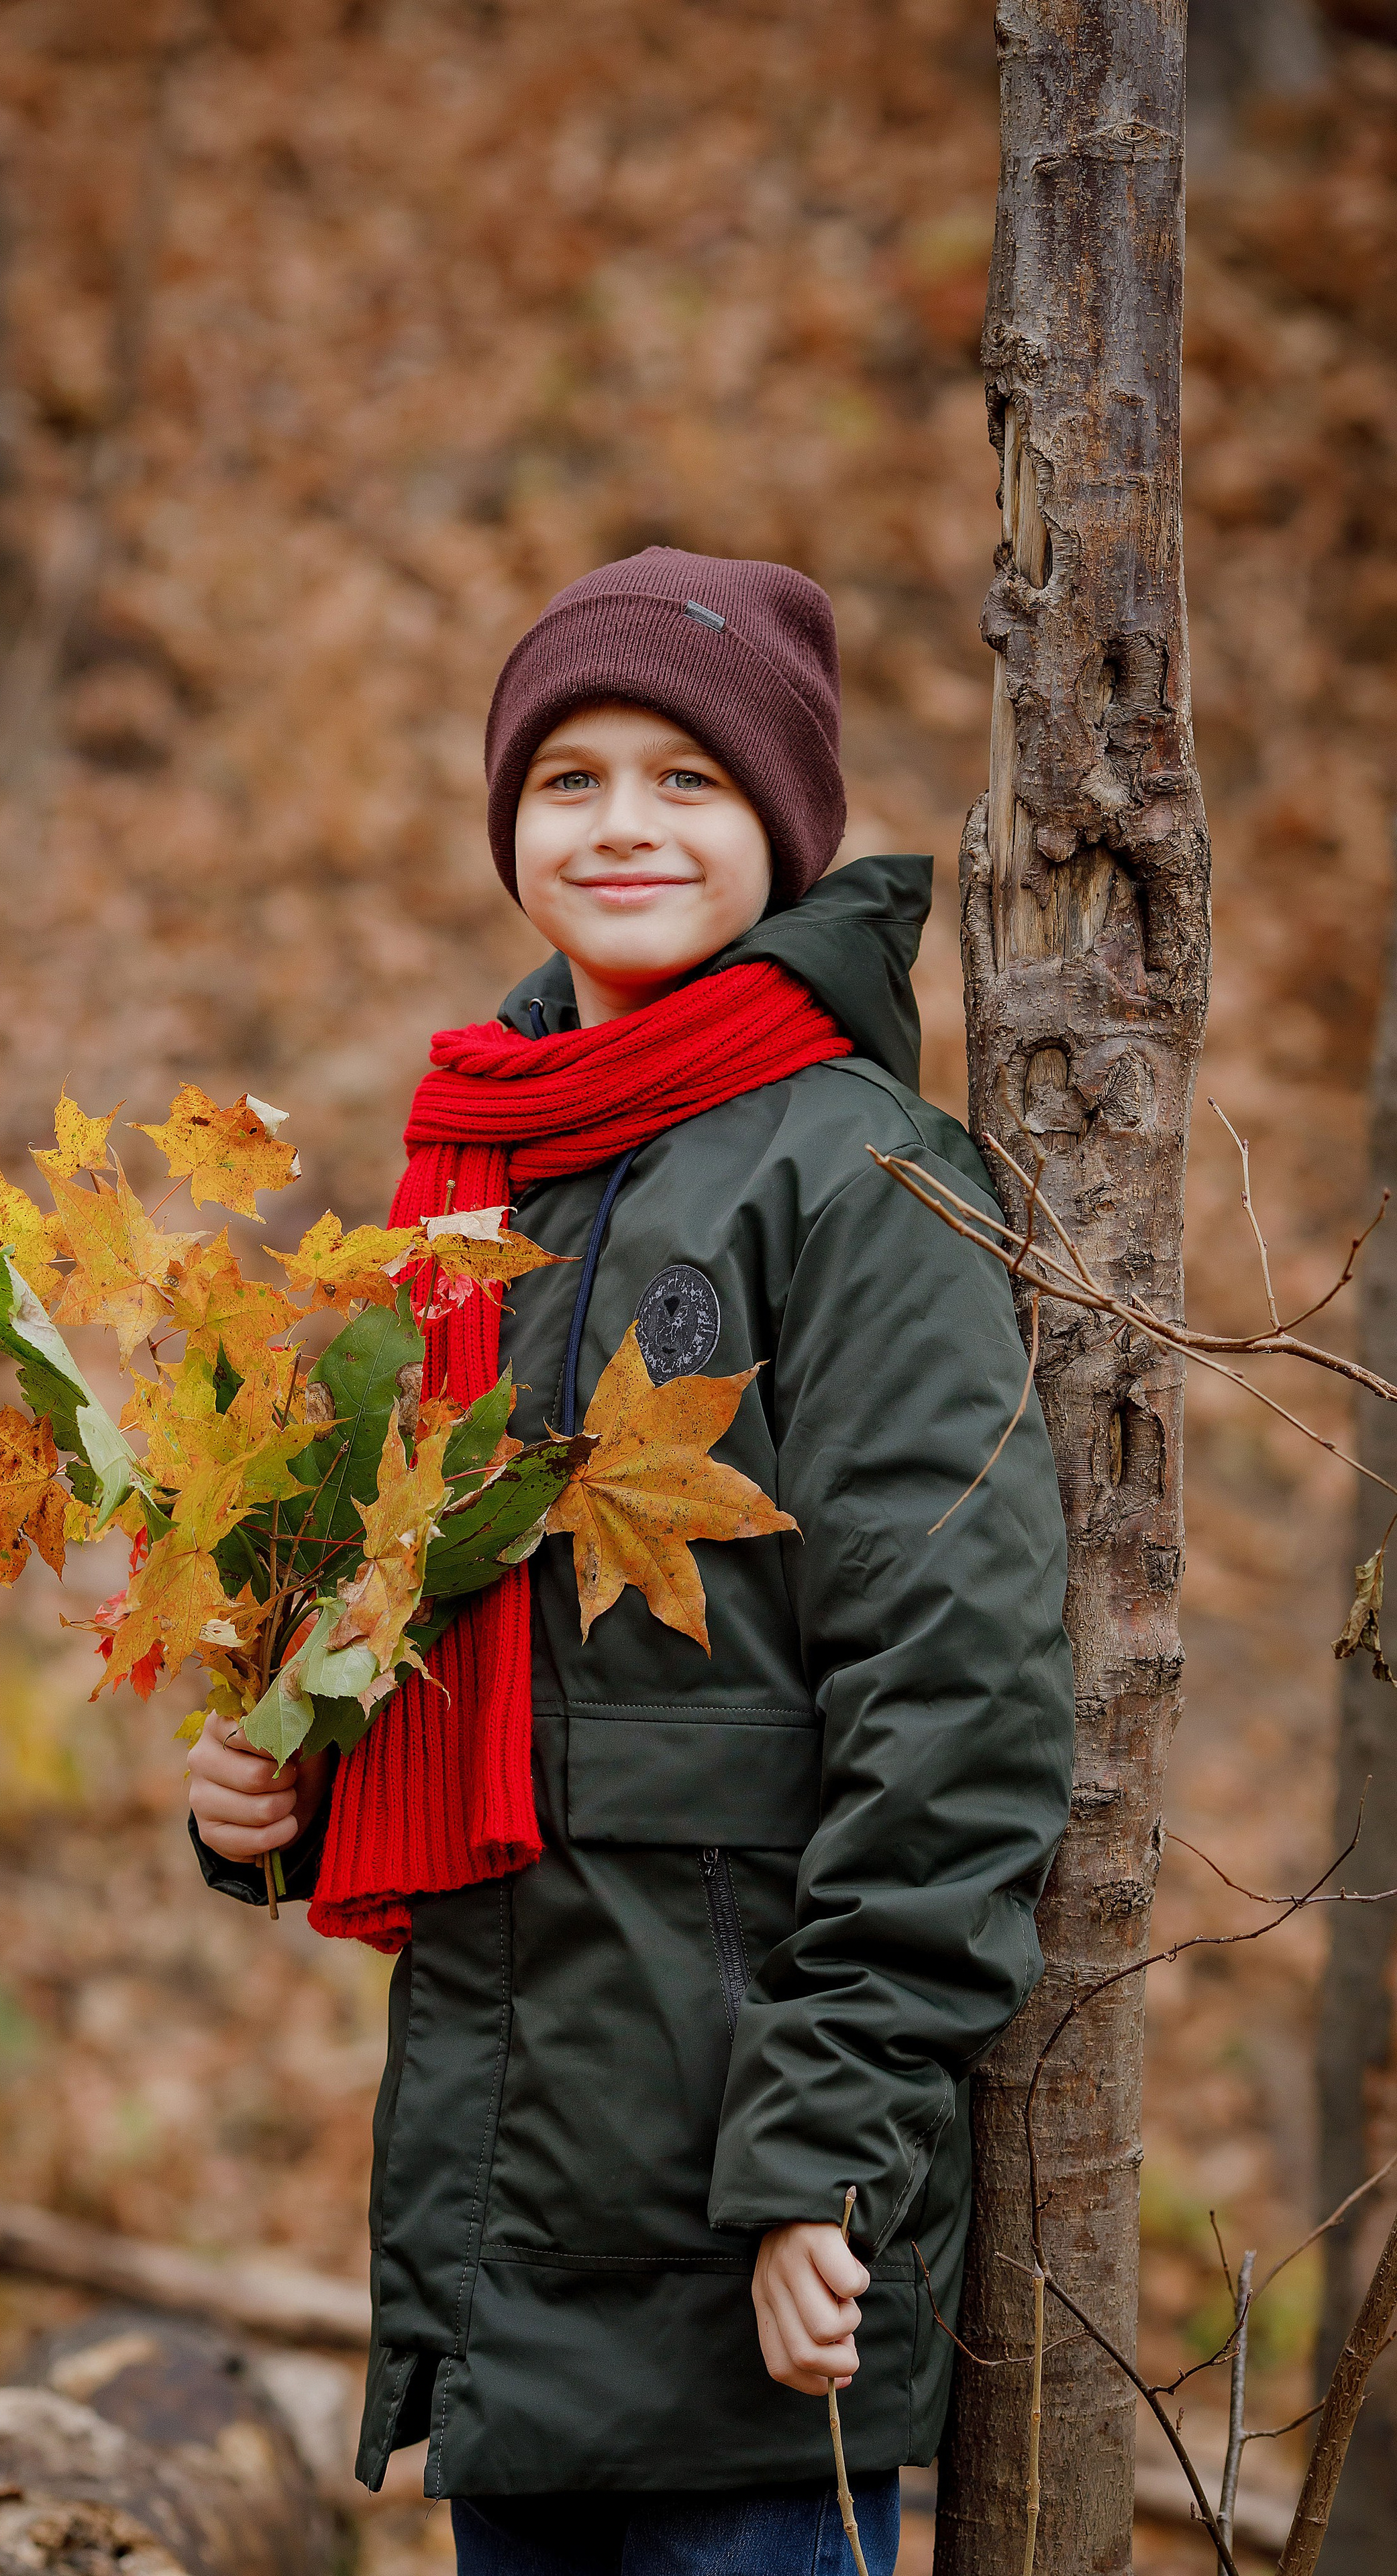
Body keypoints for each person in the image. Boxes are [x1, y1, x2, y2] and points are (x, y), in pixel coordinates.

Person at [187, 548, 1075, 2576]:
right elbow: (398, 1637)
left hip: (748, 2230)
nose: (622, 825)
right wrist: (268, 1795)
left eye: (687, 778)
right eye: (568, 777)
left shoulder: (849, 1180)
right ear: (510, 825)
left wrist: (826, 2162)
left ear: (782, 821)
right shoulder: (469, 1186)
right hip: (512, 2236)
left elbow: (960, 1699)